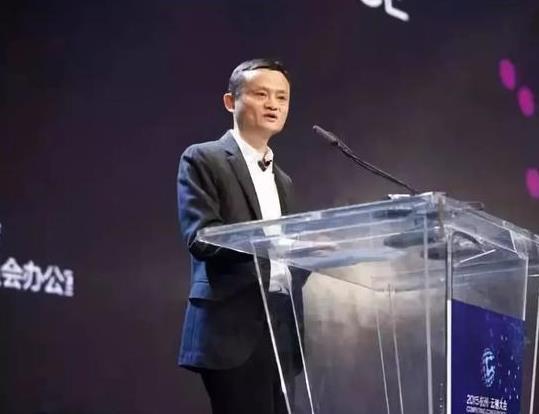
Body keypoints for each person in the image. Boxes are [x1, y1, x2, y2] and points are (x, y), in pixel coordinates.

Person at [177, 58, 302, 414]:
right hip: (231, 327)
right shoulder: (203, 158)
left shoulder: (284, 181)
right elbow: (202, 237)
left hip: (281, 329)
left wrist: (313, 252)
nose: (273, 104)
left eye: (282, 97)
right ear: (231, 102)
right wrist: (276, 242)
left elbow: (287, 261)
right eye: (261, 94)